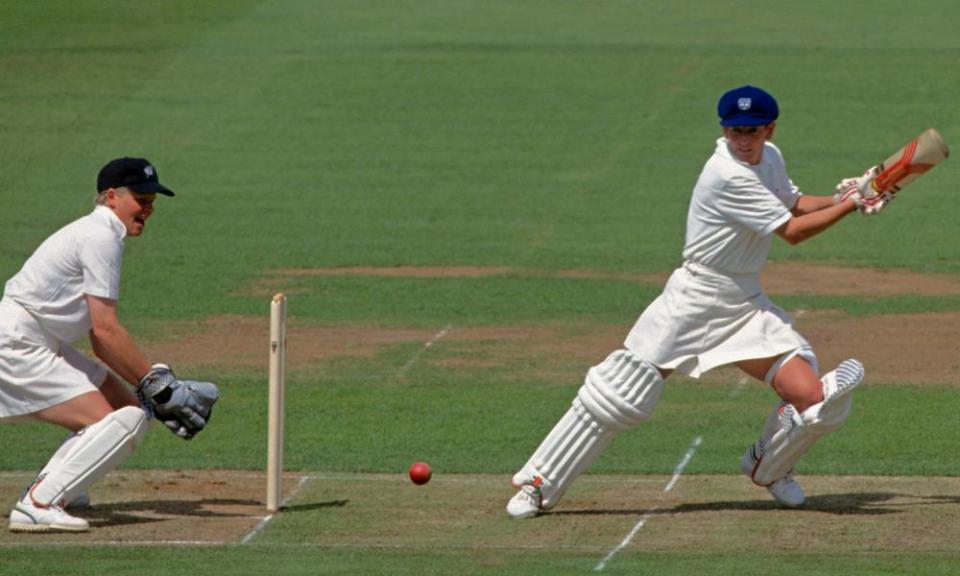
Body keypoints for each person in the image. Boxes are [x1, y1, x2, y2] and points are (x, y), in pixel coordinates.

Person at [506, 85, 892, 519]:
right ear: (725, 130)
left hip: (743, 300)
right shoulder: (725, 173)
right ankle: (538, 483)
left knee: (815, 400)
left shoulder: (771, 157)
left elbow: (793, 203)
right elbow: (793, 232)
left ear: (770, 128)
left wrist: (850, 194)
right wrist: (853, 204)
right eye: (734, 130)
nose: (743, 139)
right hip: (694, 297)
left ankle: (769, 465)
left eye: (751, 130)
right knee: (617, 393)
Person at [1, 157, 219, 533]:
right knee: (124, 420)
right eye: (141, 198)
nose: (148, 208)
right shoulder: (101, 236)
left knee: (126, 407)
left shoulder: (99, 233)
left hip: (33, 337)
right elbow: (105, 331)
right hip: (17, 342)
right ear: (111, 196)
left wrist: (150, 387)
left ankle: (64, 485)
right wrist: (160, 385)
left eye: (152, 200)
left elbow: (100, 342)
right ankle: (38, 503)